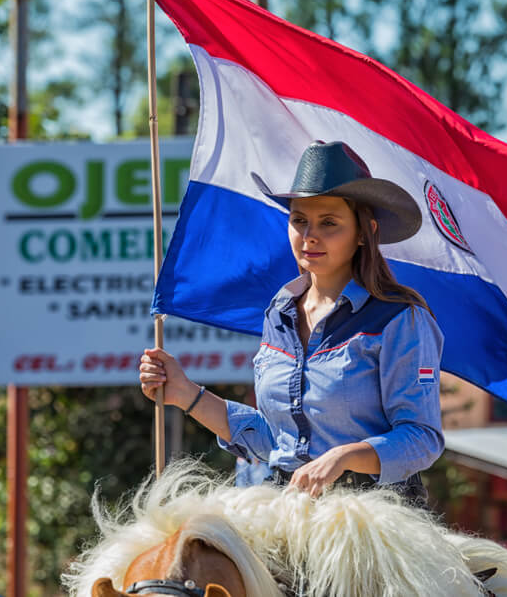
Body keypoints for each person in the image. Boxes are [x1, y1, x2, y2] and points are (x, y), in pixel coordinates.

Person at [138, 140, 444, 504]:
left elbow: (421, 438)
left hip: (376, 518)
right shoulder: (278, 313)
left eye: (329, 223)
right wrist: (185, 393)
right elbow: (274, 440)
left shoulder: (400, 318)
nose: (309, 235)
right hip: (287, 507)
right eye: (299, 220)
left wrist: (342, 458)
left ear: (365, 232)